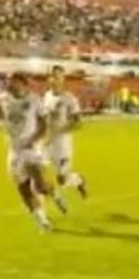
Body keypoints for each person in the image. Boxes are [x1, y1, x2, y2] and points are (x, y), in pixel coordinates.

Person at [0, 71, 64, 232]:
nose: (7, 84)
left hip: (30, 149)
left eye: (11, 81)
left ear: (21, 83)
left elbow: (43, 125)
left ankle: (53, 193)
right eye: (6, 81)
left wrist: (33, 140)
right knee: (23, 188)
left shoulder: (34, 99)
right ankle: (42, 221)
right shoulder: (2, 98)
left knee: (40, 186)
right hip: (14, 151)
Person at [43, 65, 88, 201]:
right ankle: (41, 206)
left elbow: (79, 123)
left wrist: (59, 130)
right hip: (46, 143)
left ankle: (79, 180)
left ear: (62, 80)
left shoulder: (69, 99)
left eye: (57, 77)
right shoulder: (46, 96)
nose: (54, 80)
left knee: (62, 179)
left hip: (62, 145)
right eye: (52, 77)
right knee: (37, 172)